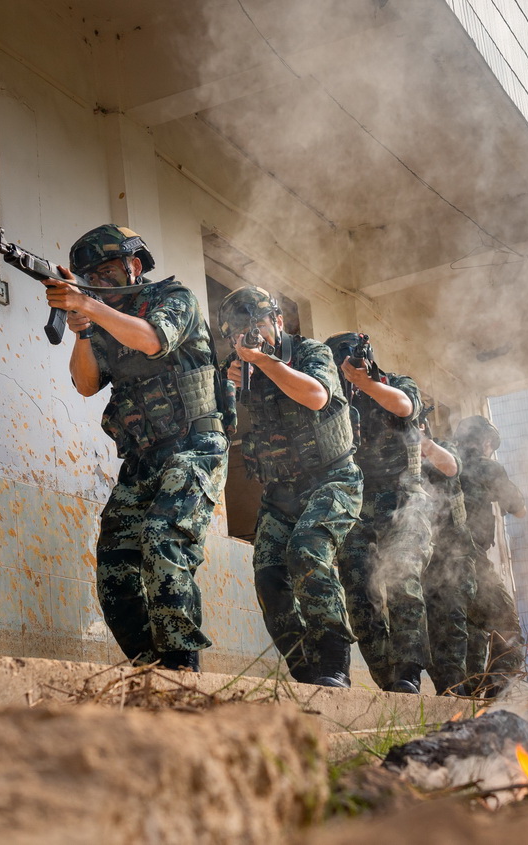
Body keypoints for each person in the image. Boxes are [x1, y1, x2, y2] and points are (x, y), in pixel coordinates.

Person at [44, 224, 228, 672]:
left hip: (194, 445)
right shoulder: (103, 318)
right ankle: (152, 669)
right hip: (143, 458)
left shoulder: (174, 297)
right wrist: (83, 330)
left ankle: (183, 667)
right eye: (92, 275)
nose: (100, 282)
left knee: (164, 541)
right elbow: (87, 385)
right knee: (114, 565)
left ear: (134, 265)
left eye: (107, 271)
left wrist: (88, 304)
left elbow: (151, 339)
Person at [218, 287, 360, 688]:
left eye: (259, 325)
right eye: (241, 331)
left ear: (277, 322)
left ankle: (334, 663)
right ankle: (307, 672)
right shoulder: (238, 366)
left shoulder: (310, 352)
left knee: (307, 551)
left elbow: (316, 397)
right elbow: (221, 422)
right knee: (268, 577)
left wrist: (263, 361)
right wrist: (229, 383)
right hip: (280, 493)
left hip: (332, 479)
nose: (252, 335)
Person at [326, 332, 431, 694]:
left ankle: (409, 672)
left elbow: (404, 406)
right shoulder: (334, 395)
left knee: (402, 577)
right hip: (356, 506)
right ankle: (389, 679)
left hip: (404, 503)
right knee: (357, 591)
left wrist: (366, 383)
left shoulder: (394, 384)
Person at [454, 415, 528, 697]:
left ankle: (467, 691)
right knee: (505, 623)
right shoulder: (486, 466)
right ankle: (497, 691)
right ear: (485, 442)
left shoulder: (442, 460)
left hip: (435, 560)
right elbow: (519, 508)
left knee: (471, 624)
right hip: (471, 556)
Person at [418, 417, 477, 696]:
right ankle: (446, 686)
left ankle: (457, 686)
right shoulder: (392, 457)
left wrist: (423, 444)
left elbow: (451, 466)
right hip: (419, 552)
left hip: (452, 552)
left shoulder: (440, 447)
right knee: (428, 623)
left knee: (453, 617)